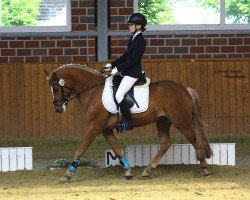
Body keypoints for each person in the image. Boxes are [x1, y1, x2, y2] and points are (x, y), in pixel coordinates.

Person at [101, 13, 147, 132]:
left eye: (131, 24)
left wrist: (117, 69)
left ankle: (128, 121)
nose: (129, 26)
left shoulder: (140, 41)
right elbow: (125, 57)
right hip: (127, 72)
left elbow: (133, 60)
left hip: (133, 73)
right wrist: (111, 65)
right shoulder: (132, 38)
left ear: (139, 26)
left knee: (119, 95)